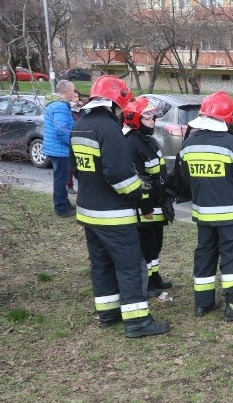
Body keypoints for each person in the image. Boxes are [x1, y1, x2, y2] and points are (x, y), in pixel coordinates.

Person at [69, 75, 170, 338]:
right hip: (113, 215)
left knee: (101, 265)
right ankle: (138, 322)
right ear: (117, 102)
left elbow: (77, 171)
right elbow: (119, 176)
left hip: (89, 212)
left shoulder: (80, 126)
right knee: (130, 266)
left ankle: (109, 313)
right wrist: (141, 195)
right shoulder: (109, 129)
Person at [175, 90, 233, 322]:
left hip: (202, 213)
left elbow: (182, 177)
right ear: (229, 118)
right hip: (230, 214)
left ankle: (202, 304)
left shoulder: (189, 144)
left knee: (205, 254)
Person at [122, 97, 173, 296]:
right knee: (146, 245)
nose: (153, 122)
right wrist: (145, 206)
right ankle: (147, 284)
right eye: (147, 119)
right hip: (145, 206)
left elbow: (159, 172)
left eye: (153, 118)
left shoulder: (149, 141)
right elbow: (137, 180)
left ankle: (155, 277)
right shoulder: (131, 145)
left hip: (157, 201)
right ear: (135, 120)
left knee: (156, 243)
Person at [43, 79, 79, 217]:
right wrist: (71, 144)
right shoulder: (60, 106)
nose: (75, 93)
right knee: (61, 179)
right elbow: (61, 129)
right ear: (68, 91)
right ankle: (61, 208)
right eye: (74, 90)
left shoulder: (54, 104)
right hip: (60, 149)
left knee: (61, 178)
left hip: (55, 147)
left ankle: (65, 204)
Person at [67, 91, 84, 195]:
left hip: (82, 137)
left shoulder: (83, 109)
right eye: (74, 97)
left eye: (78, 96)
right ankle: (69, 185)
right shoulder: (68, 110)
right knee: (71, 165)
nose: (77, 99)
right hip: (72, 138)